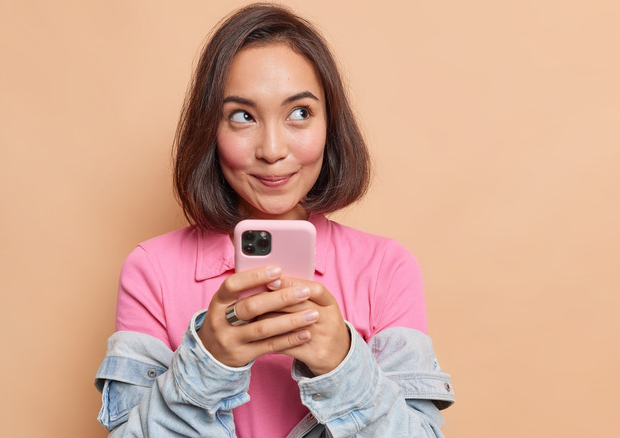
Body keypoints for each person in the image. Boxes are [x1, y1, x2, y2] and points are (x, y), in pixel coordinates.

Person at [94, 3, 454, 437]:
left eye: (299, 112)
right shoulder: (151, 269)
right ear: (211, 129)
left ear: (330, 124)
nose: (271, 148)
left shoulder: (386, 269)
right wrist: (206, 366)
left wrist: (344, 366)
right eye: (242, 116)